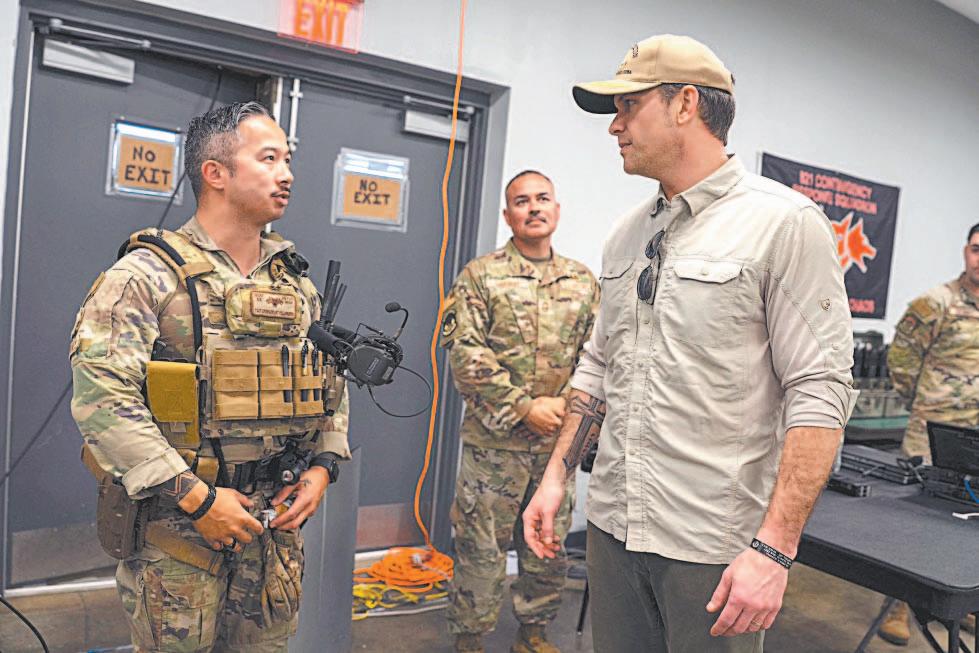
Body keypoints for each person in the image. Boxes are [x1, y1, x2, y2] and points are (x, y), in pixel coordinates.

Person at [522, 34, 857, 653]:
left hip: (710, 548)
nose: (614, 126)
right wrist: (555, 479)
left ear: (685, 104)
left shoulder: (783, 224)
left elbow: (820, 390)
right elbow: (599, 365)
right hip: (613, 528)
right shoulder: (627, 234)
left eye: (628, 106)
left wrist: (774, 550)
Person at [70, 101, 350, 652]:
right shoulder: (147, 276)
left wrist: (323, 466)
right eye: (268, 158)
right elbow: (103, 402)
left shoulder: (296, 287)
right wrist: (197, 499)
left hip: (271, 533)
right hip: (179, 535)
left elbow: (327, 385)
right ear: (215, 173)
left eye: (288, 160)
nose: (287, 174)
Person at [440, 170, 600, 653]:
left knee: (548, 547)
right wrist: (524, 407)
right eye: (522, 201)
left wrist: (565, 408)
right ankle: (470, 640)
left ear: (557, 209)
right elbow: (465, 353)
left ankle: (533, 634)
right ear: (507, 215)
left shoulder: (582, 281)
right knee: (480, 550)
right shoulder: (480, 276)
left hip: (556, 448)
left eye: (542, 198)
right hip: (494, 447)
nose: (534, 208)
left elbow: (598, 357)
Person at [876, 222, 979, 645]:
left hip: (976, 437)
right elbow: (901, 360)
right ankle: (899, 606)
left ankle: (961, 604)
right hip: (933, 433)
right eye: (977, 249)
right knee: (915, 522)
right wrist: (922, 405)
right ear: (965, 251)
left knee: (968, 525)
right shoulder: (935, 303)